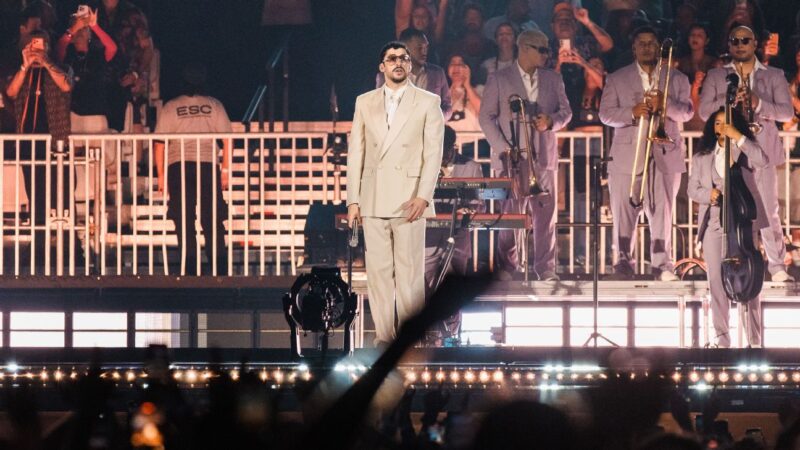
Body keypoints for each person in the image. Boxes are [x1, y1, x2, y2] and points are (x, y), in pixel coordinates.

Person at [347, 41, 444, 346]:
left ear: (410, 65)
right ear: (382, 66)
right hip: (373, 198)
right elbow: (356, 153)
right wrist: (353, 200)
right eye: (392, 59)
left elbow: (433, 153)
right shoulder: (365, 102)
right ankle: (384, 337)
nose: (399, 62)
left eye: (404, 58)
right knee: (378, 274)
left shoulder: (428, 102)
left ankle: (408, 339)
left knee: (409, 274)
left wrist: (424, 196)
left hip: (409, 199)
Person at [699, 25, 795, 282]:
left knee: (768, 210)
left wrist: (758, 103)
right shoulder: (717, 75)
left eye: (745, 40)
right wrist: (728, 103)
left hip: (761, 150)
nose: (740, 44)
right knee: (726, 208)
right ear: (729, 45)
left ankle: (776, 267)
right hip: (728, 150)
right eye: (735, 40)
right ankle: (732, 263)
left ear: (755, 44)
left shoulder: (774, 75)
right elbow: (703, 112)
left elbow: (787, 113)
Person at [598, 26, 694, 281]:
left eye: (651, 43)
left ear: (659, 47)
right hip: (627, 157)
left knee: (663, 213)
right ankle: (622, 264)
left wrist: (665, 103)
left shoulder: (678, 78)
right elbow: (605, 114)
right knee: (623, 213)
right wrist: (632, 112)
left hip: (664, 155)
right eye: (642, 43)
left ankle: (663, 265)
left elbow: (687, 113)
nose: (647, 47)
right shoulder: (617, 78)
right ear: (634, 48)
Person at [479, 29, 571, 281]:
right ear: (525, 48)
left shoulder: (553, 78)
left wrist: (551, 121)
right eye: (541, 49)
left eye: (547, 49)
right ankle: (508, 267)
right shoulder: (499, 78)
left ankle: (545, 267)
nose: (546, 54)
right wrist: (502, 147)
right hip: (511, 158)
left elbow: (566, 112)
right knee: (509, 214)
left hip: (544, 157)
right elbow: (485, 117)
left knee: (545, 217)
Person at [687, 108, 767, 347]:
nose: (721, 127)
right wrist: (708, 194)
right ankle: (722, 339)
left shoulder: (743, 150)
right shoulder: (702, 158)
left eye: (726, 123)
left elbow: (763, 160)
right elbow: (692, 189)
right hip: (714, 223)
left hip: (742, 224)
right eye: (718, 123)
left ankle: (754, 340)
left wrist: (739, 136)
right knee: (717, 282)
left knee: (749, 281)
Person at [154, 63, 230, 276]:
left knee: (184, 216)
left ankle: (190, 264)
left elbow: (159, 143)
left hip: (179, 165)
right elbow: (228, 140)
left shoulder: (171, 106)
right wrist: (225, 169)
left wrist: (161, 175)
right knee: (212, 216)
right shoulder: (214, 105)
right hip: (206, 163)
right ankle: (219, 264)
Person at [424, 125, 484, 290]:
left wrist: (466, 211)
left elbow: (478, 205)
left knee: (453, 294)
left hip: (457, 240)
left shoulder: (471, 167)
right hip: (427, 242)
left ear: (452, 148)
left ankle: (455, 317)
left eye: (443, 151)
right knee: (423, 296)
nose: (440, 156)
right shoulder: (421, 167)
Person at [376, 28, 452, 119]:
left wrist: (437, 117)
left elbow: (447, 106)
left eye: (426, 47)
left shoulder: (437, 73)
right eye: (419, 47)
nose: (424, 51)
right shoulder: (386, 76)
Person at [675, 23, 719, 131]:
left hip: (705, 110)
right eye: (692, 35)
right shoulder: (680, 63)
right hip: (687, 109)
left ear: (706, 40)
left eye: (699, 35)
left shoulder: (714, 63)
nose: (695, 38)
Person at [446, 53, 482, 131]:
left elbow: (483, 111)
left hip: (474, 141)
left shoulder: (479, 89)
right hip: (450, 142)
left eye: (460, 64)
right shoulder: (442, 94)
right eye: (452, 63)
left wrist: (467, 86)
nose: (456, 67)